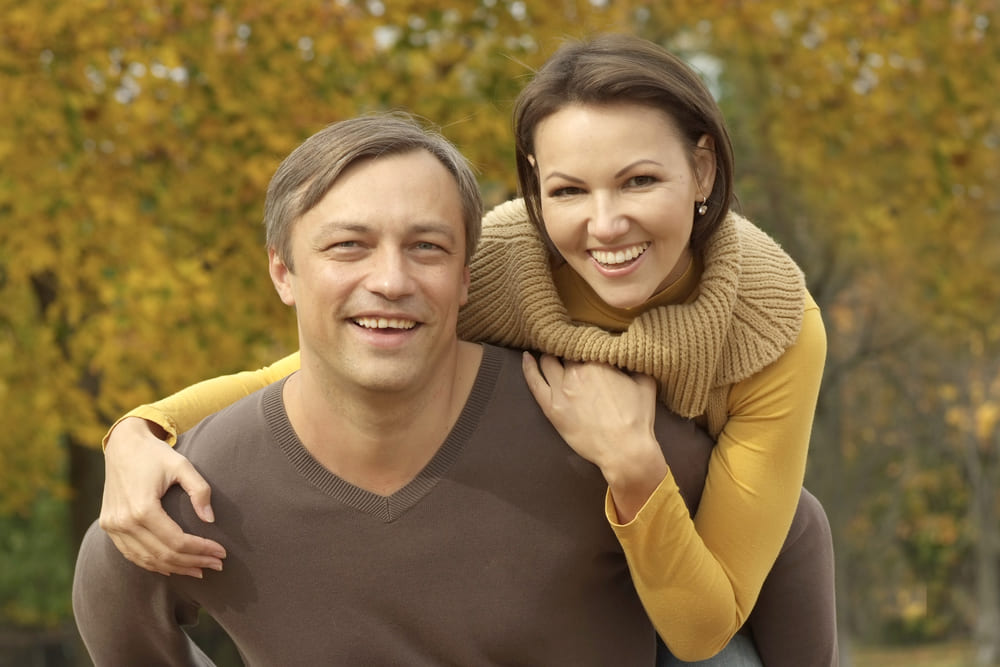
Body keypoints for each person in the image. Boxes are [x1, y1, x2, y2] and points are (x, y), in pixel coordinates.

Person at [95, 35, 837, 665]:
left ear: (703, 171)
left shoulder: (771, 325)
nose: (605, 225)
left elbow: (728, 598)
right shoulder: (495, 268)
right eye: (570, 190)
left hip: (696, 583)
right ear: (537, 186)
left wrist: (634, 462)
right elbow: (313, 368)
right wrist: (137, 429)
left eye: (640, 180)